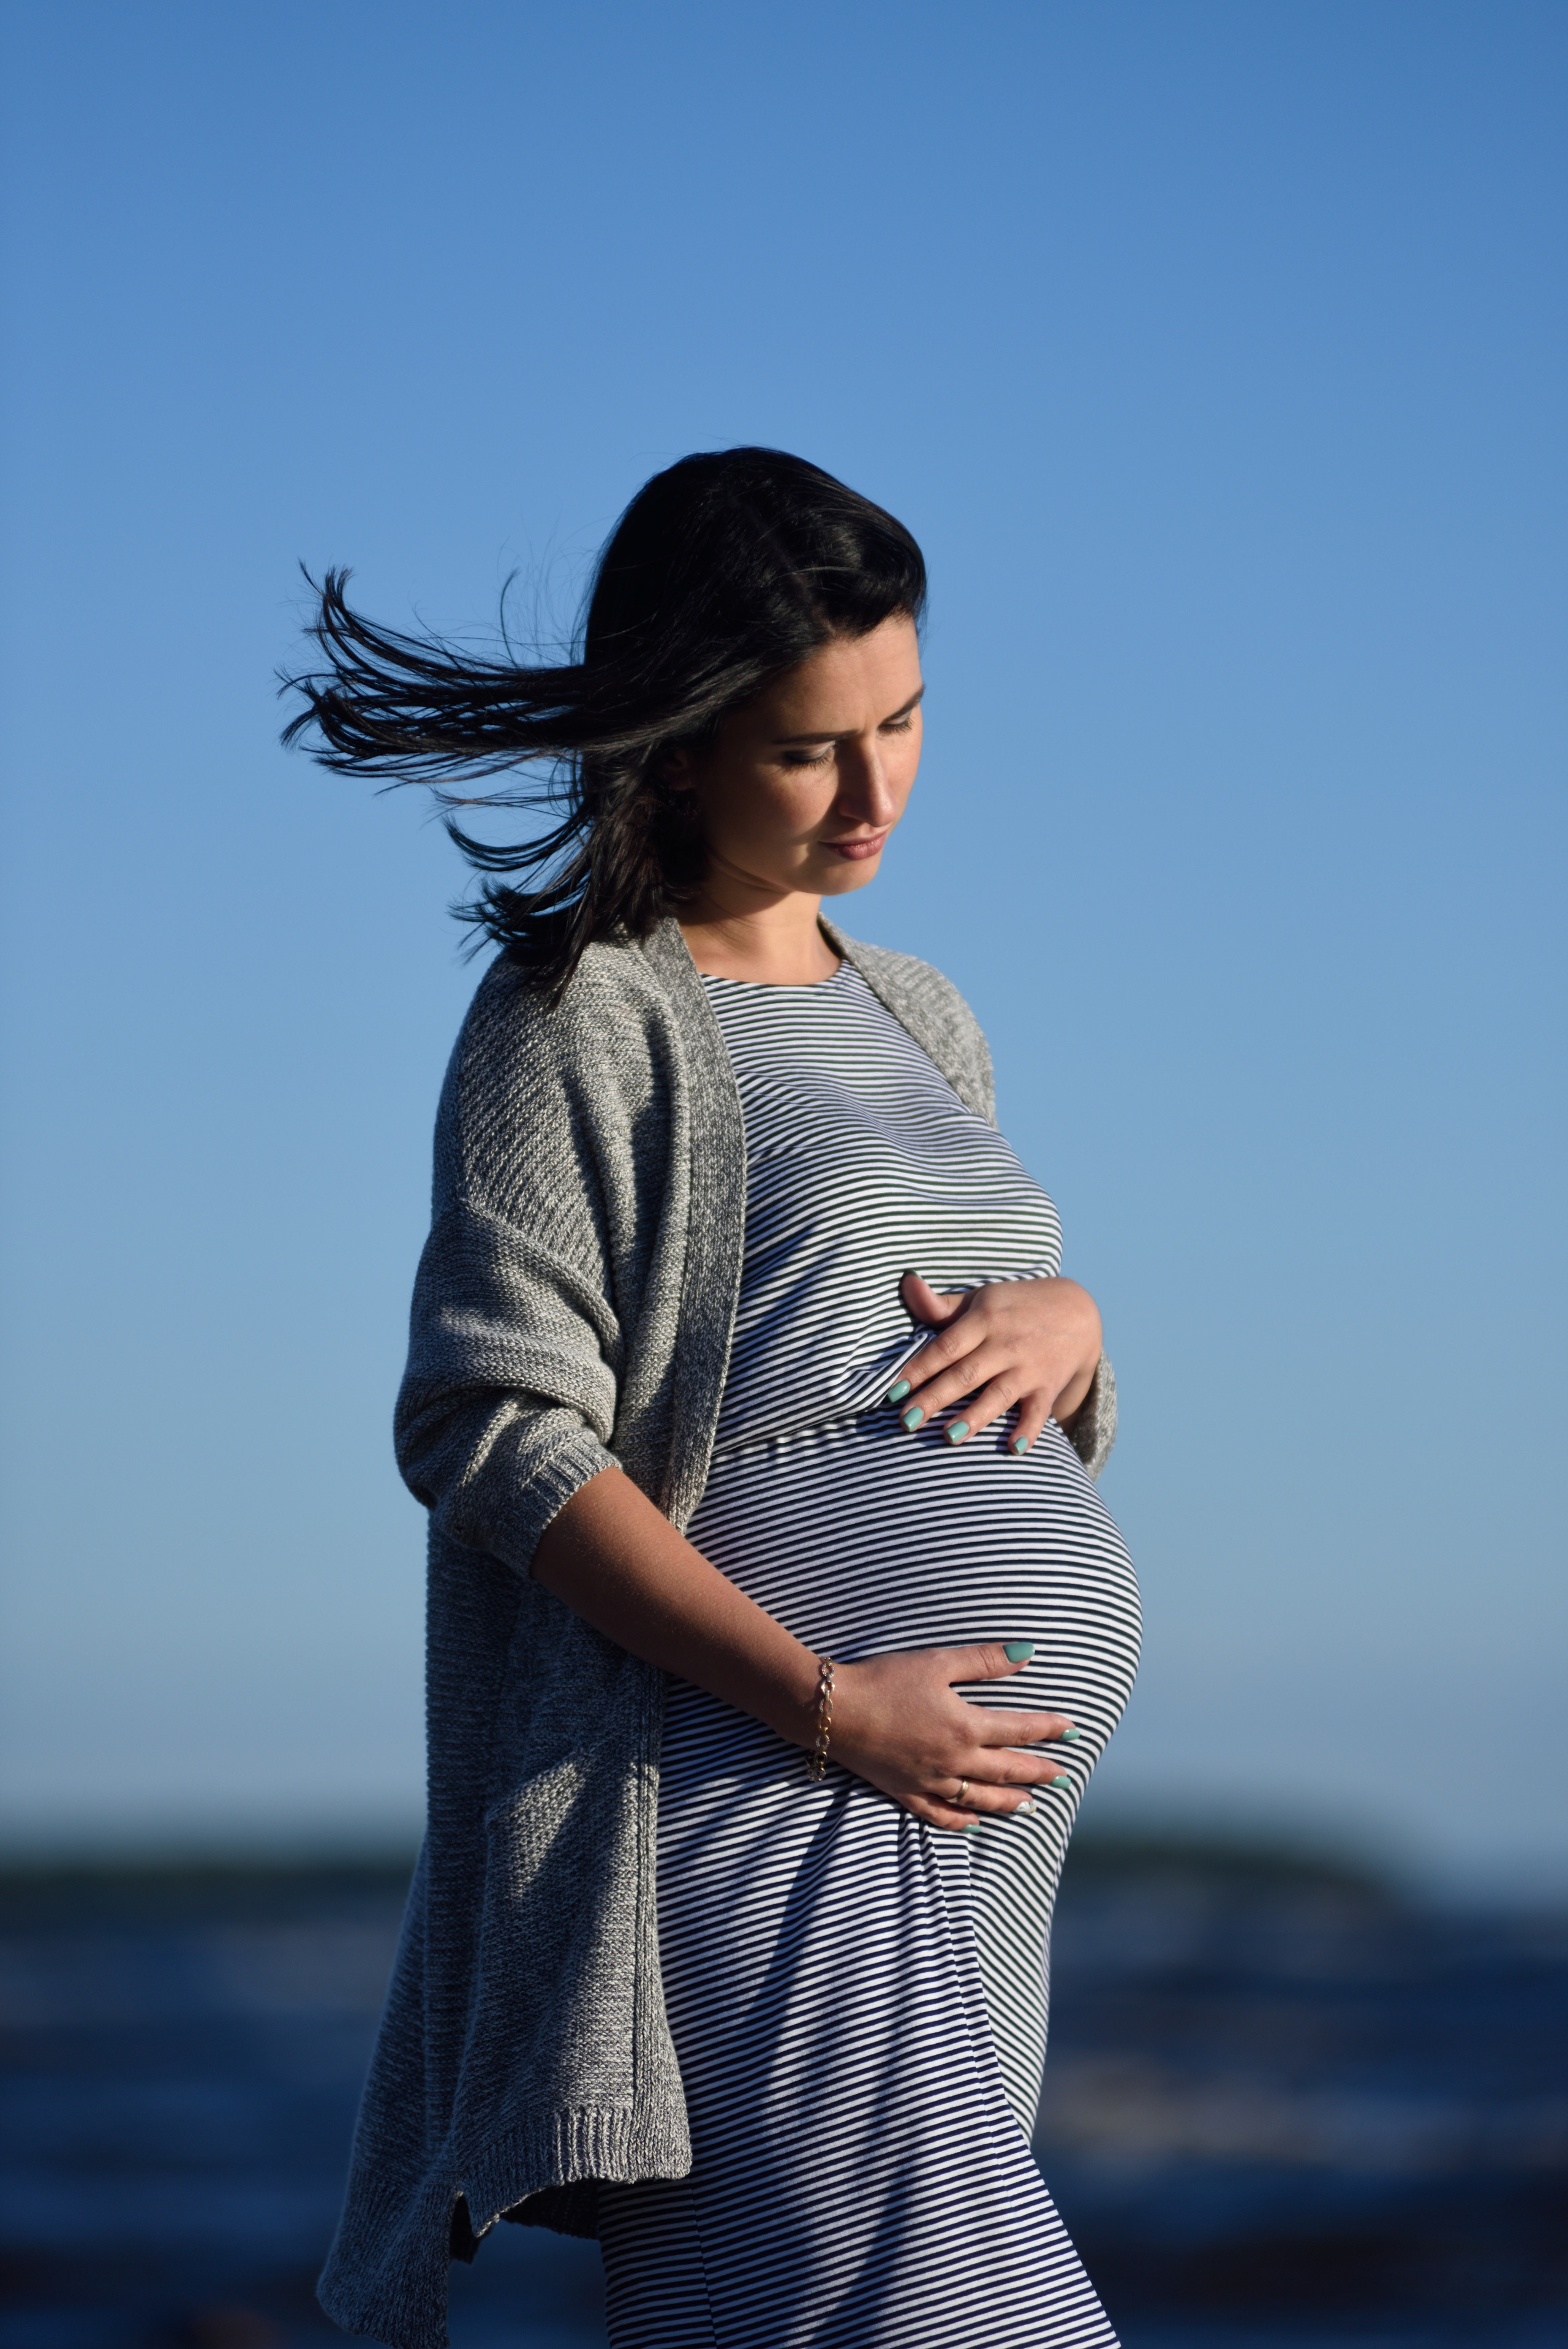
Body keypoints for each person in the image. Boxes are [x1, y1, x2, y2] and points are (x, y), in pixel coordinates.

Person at [284, 448, 1140, 2349]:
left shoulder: (922, 1012)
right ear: (674, 747)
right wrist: (832, 1705)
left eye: (905, 720)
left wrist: (1075, 1322)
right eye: (808, 749)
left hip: (951, 1837)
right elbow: (492, 1428)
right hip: (773, 1785)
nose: (875, 791)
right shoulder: (577, 1010)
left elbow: (939, 1358)